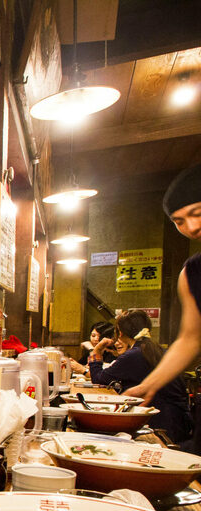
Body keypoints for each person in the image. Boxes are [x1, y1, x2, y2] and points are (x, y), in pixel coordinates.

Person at [127, 164, 201, 403]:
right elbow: (191, 339)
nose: (191, 227)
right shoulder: (191, 273)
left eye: (197, 213)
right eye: (179, 221)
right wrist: (148, 385)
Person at [88, 310, 192, 444]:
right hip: (178, 421)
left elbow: (98, 379)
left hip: (161, 425)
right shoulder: (157, 350)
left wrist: (96, 351)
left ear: (120, 333)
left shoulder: (133, 355)